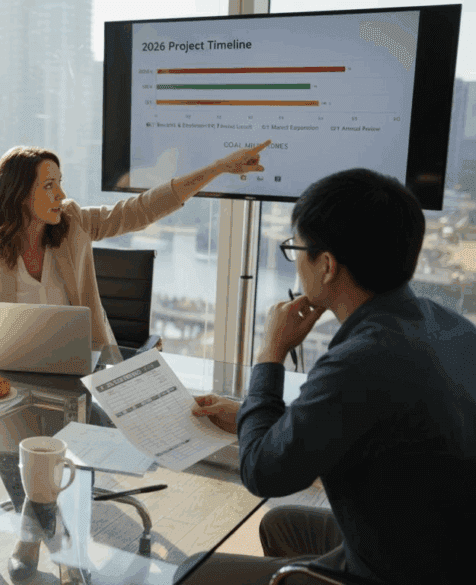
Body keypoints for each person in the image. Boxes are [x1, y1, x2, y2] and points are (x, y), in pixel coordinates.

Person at [185, 168, 476, 585]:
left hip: (396, 572)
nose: (295, 262)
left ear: (326, 265)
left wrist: (271, 354)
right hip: (443, 548)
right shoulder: (448, 324)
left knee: (191, 572)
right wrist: (253, 414)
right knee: (280, 524)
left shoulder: (360, 360)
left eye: (296, 248)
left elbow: (261, 472)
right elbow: (364, 426)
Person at [0, 141, 271, 348]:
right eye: (48, 185)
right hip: (14, 374)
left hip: (88, 366)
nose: (60, 194)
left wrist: (216, 169)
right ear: (19, 194)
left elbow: (139, 211)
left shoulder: (74, 223)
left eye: (60, 183)